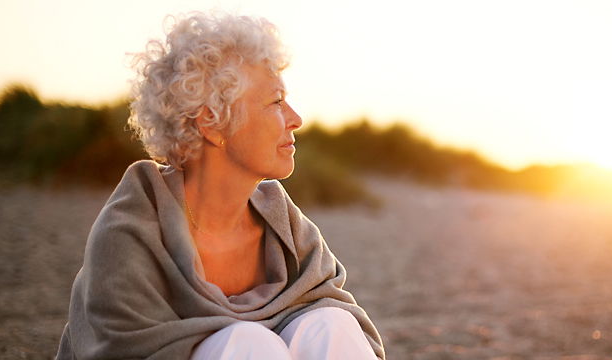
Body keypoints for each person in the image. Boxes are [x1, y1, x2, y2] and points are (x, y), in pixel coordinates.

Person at [55, 11, 385, 360]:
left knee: (332, 324)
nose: (296, 119)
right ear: (211, 122)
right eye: (276, 101)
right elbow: (120, 349)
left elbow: (342, 320)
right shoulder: (131, 231)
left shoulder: (285, 226)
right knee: (248, 343)